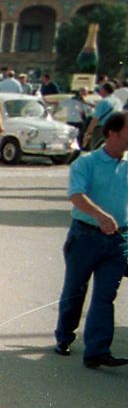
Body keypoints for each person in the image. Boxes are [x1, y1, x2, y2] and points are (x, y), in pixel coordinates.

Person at [53, 111, 128, 368]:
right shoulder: (86, 163)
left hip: (118, 240)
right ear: (112, 134)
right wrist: (100, 216)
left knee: (105, 295)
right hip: (86, 236)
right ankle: (64, 337)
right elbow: (76, 195)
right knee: (75, 291)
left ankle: (97, 350)